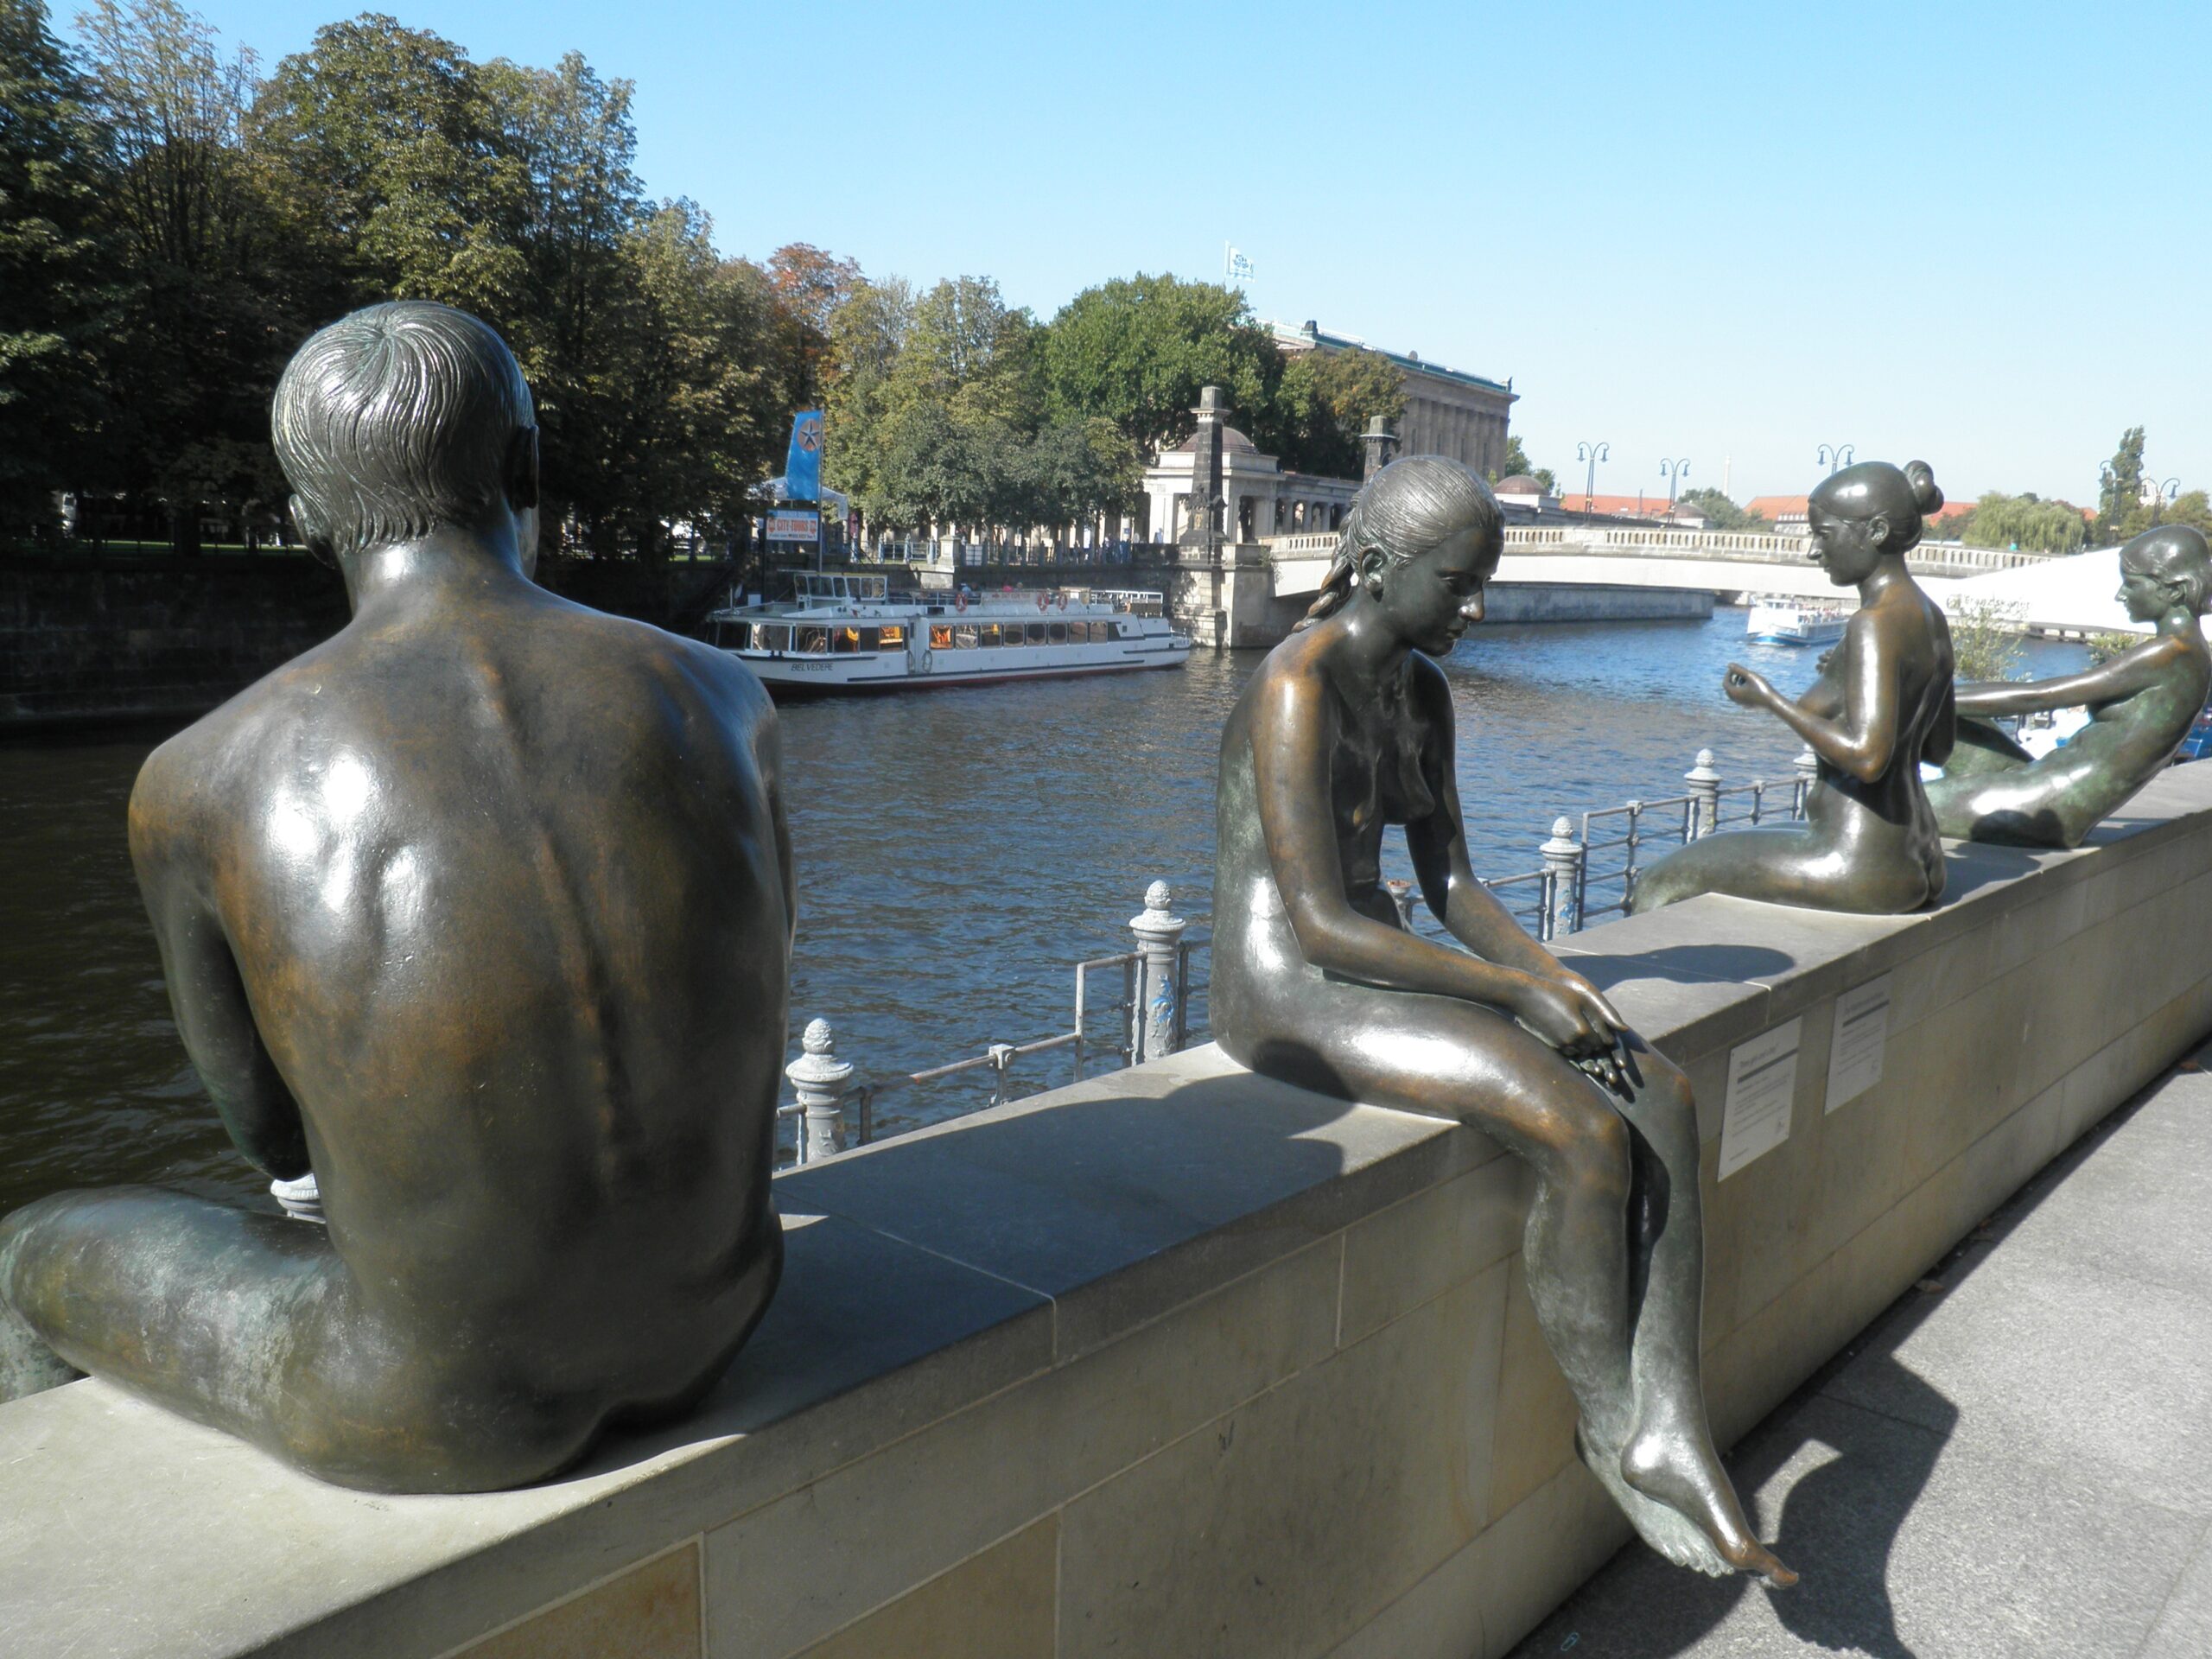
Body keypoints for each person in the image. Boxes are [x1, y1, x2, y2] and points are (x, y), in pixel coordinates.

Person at [0, 302, 794, 1493]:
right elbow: (762, 969)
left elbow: (265, 1132)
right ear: (524, 470)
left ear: (303, 518)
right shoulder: (727, 698)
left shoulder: (197, 780)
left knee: (21, 1255)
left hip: (433, 1405)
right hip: (726, 1313)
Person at [1211, 455, 1793, 1585]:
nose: (1478, 608)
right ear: (1379, 570)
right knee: (1578, 1137)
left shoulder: (1419, 691)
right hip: (1290, 991)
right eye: (1461, 583)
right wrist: (1514, 996)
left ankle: (1674, 1421)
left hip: (1378, 964)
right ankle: (1608, 1420)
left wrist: (1554, 979)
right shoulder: (1297, 688)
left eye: (1485, 581)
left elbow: (1458, 891)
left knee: (1658, 1093)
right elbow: (1322, 926)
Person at [1630, 461, 1955, 915]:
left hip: (1857, 861)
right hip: (1920, 853)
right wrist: (1846, 676)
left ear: (1876, 531)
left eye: (1823, 534)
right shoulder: (1929, 616)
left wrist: (1771, 701)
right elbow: (1938, 749)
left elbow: (1867, 758)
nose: (1812, 552)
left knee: (1658, 881)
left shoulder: (1873, 625)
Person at [1924, 525, 2212, 848]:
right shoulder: (2190, 651)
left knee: (1890, 807)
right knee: (1938, 718)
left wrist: (1926, 700)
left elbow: (2041, 696)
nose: (2120, 595)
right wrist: (1928, 702)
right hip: (2043, 785)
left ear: (2173, 590)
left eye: (2131, 584)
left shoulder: (2170, 653)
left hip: (2048, 809)